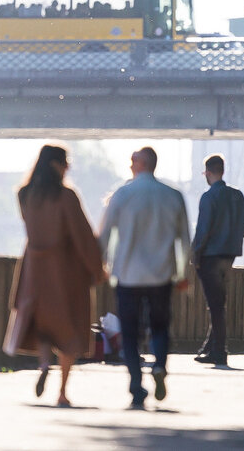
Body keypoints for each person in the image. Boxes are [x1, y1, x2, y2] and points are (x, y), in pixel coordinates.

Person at [2, 145, 105, 407]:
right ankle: (62, 392)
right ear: (56, 165)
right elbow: (82, 236)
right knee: (68, 328)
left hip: (34, 268)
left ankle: (45, 363)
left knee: (42, 324)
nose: (68, 167)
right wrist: (97, 268)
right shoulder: (66, 196)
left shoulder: (25, 195)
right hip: (64, 269)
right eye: (66, 162)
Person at [99, 147, 191, 409]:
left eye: (131, 161)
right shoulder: (173, 195)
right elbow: (184, 239)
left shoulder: (122, 194)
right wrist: (183, 274)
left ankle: (136, 385)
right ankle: (159, 365)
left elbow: (104, 235)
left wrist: (101, 265)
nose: (129, 166)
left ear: (140, 163)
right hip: (161, 275)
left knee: (129, 333)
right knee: (160, 327)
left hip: (128, 275)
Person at [192, 154, 244, 366]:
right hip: (230, 255)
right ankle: (211, 346)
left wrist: (196, 254)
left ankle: (219, 351)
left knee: (215, 305)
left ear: (207, 172)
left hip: (210, 256)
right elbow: (243, 227)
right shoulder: (237, 195)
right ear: (222, 171)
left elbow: (203, 230)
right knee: (219, 303)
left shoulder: (209, 197)